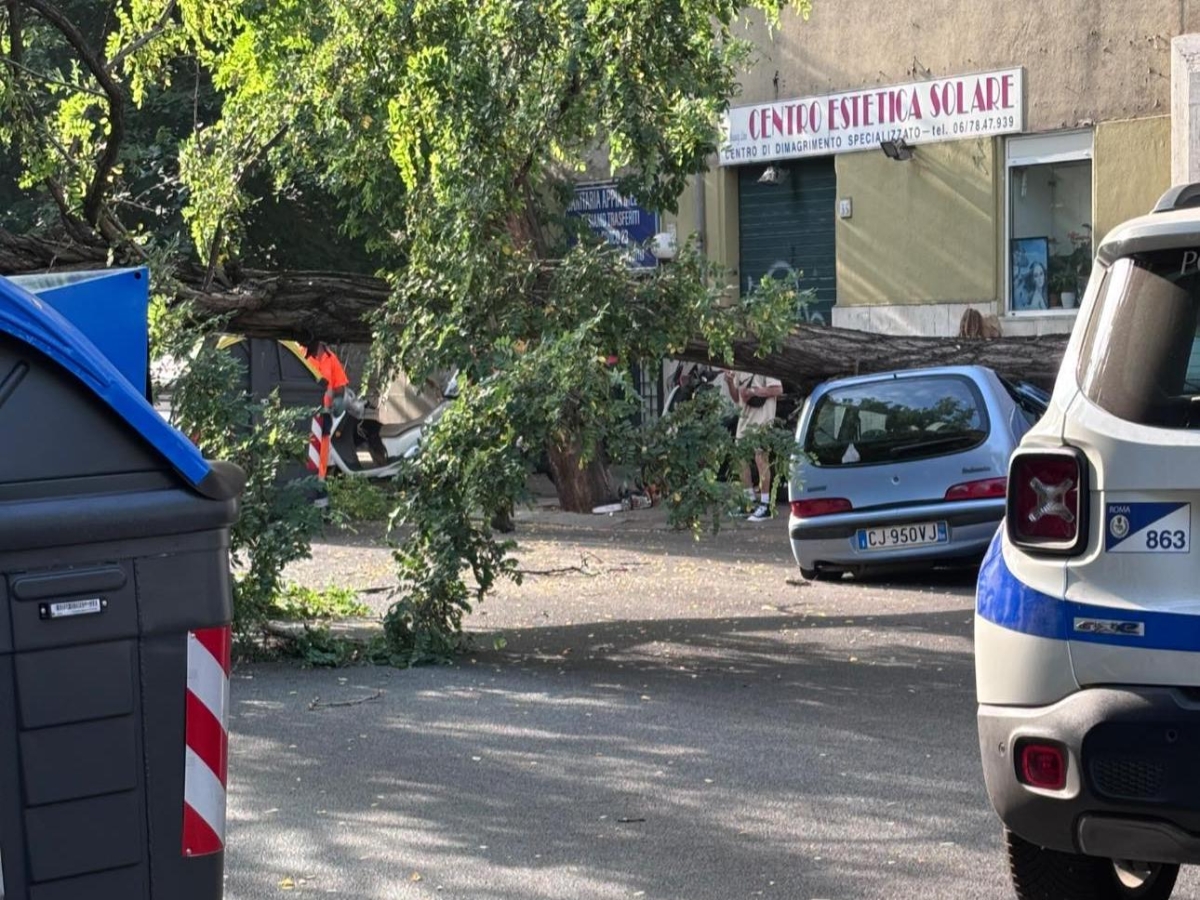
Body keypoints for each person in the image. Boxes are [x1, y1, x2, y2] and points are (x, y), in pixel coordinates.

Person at [723, 369, 784, 522]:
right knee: (739, 458)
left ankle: (766, 505)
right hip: (744, 420)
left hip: (763, 421)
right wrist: (729, 382)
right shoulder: (738, 368)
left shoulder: (763, 365)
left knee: (761, 459)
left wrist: (753, 392)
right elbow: (737, 399)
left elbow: (778, 389)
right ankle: (749, 502)